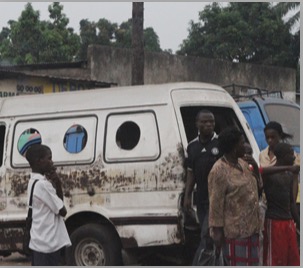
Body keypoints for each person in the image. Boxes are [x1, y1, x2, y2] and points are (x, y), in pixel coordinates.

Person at [208, 127, 261, 266]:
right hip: (234, 233)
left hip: (251, 229)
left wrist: (255, 168)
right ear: (233, 147)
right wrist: (217, 232)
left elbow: (257, 187)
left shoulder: (243, 164)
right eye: (241, 143)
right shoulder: (219, 170)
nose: (244, 146)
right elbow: (215, 204)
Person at [183, 109, 221, 265]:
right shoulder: (192, 147)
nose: (208, 124)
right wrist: (187, 195)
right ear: (197, 124)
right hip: (201, 197)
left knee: (207, 234)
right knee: (208, 235)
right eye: (204, 122)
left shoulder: (221, 143)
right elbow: (191, 174)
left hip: (218, 198)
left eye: (211, 121)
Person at [25, 144, 71, 266]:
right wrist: (58, 184)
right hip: (47, 244)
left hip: (38, 242)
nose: (52, 162)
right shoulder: (43, 185)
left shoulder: (33, 181)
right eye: (49, 158)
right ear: (39, 161)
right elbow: (62, 211)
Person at [262, 142, 300, 266]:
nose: (294, 157)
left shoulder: (288, 176)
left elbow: (291, 202)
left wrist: (299, 223)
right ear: (283, 156)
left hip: (288, 222)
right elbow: (262, 171)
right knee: (276, 260)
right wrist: (288, 168)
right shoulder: (270, 175)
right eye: (290, 155)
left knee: (292, 259)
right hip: (274, 222)